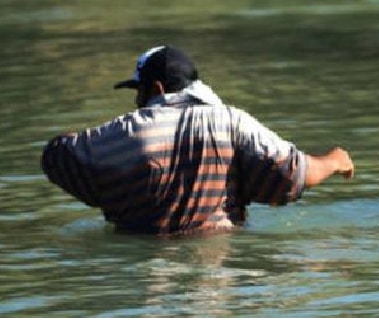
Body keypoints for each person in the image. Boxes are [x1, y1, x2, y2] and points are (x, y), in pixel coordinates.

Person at [41, 45, 355, 236]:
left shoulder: (126, 132)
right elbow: (293, 174)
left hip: (143, 272)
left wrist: (67, 138)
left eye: (139, 91)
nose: (137, 101)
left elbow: (56, 158)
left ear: (157, 90)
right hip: (219, 268)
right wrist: (335, 160)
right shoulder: (232, 122)